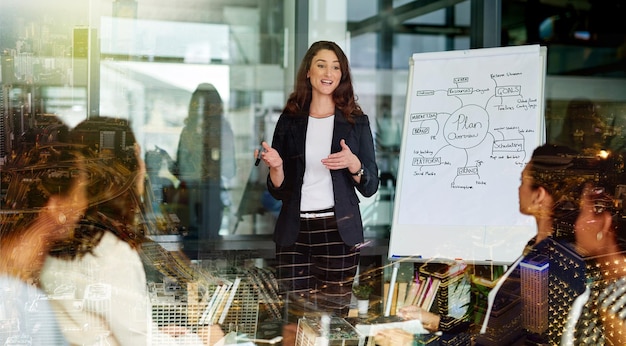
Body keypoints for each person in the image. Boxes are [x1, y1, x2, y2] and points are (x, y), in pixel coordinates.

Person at [33, 117, 223, 345]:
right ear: (124, 172)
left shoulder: (61, 240)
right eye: (137, 156)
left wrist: (157, 333)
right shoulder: (109, 253)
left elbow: (103, 327)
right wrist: (204, 341)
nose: (144, 167)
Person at [375, 144, 589, 344]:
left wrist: (412, 342)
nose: (518, 189)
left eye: (523, 181)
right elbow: (498, 329)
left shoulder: (544, 264)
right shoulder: (539, 248)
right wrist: (436, 322)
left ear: (539, 195)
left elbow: (498, 340)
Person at [257, 40, 379, 318]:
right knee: (295, 320)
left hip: (338, 232)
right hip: (294, 232)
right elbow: (279, 191)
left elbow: (371, 186)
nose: (328, 72)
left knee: (332, 322)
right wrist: (276, 167)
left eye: (336, 67)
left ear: (342, 75)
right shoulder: (290, 120)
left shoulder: (356, 121)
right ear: (308, 73)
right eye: (321, 65)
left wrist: (354, 164)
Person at [560, 151, 626, 345]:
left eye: (583, 212)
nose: (577, 225)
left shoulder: (614, 302)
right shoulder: (605, 283)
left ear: (605, 223)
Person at [174, 83, 236, 248]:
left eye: (207, 105)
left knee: (205, 247)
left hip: (209, 195)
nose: (203, 110)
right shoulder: (189, 130)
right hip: (191, 197)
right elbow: (181, 168)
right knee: (192, 247)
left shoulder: (222, 131)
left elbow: (229, 170)